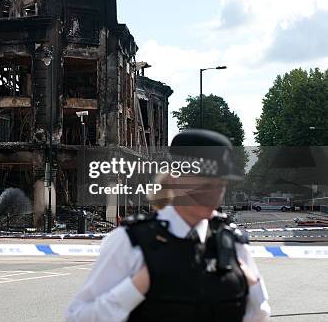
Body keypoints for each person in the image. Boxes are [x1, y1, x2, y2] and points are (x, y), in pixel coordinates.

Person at [65, 129, 270, 322]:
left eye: (221, 184)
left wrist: (250, 282)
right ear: (174, 179)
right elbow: (78, 316)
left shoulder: (231, 242)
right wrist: (139, 285)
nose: (214, 193)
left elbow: (259, 315)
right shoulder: (131, 241)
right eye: (205, 183)